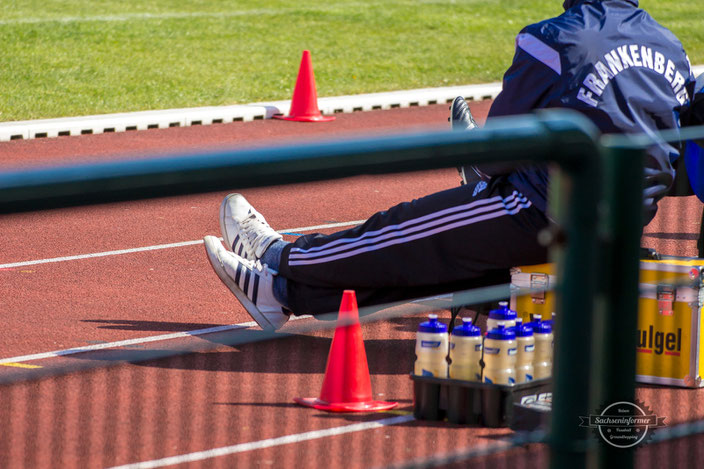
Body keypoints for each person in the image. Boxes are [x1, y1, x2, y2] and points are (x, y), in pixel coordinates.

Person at [204, 0, 696, 331]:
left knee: (399, 232)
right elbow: (670, 152)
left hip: (539, 209)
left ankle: (280, 259)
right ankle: (281, 292)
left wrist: (483, 172)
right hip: (623, 222)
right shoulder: (671, 48)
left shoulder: (556, 38)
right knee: (442, 264)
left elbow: (501, 145)